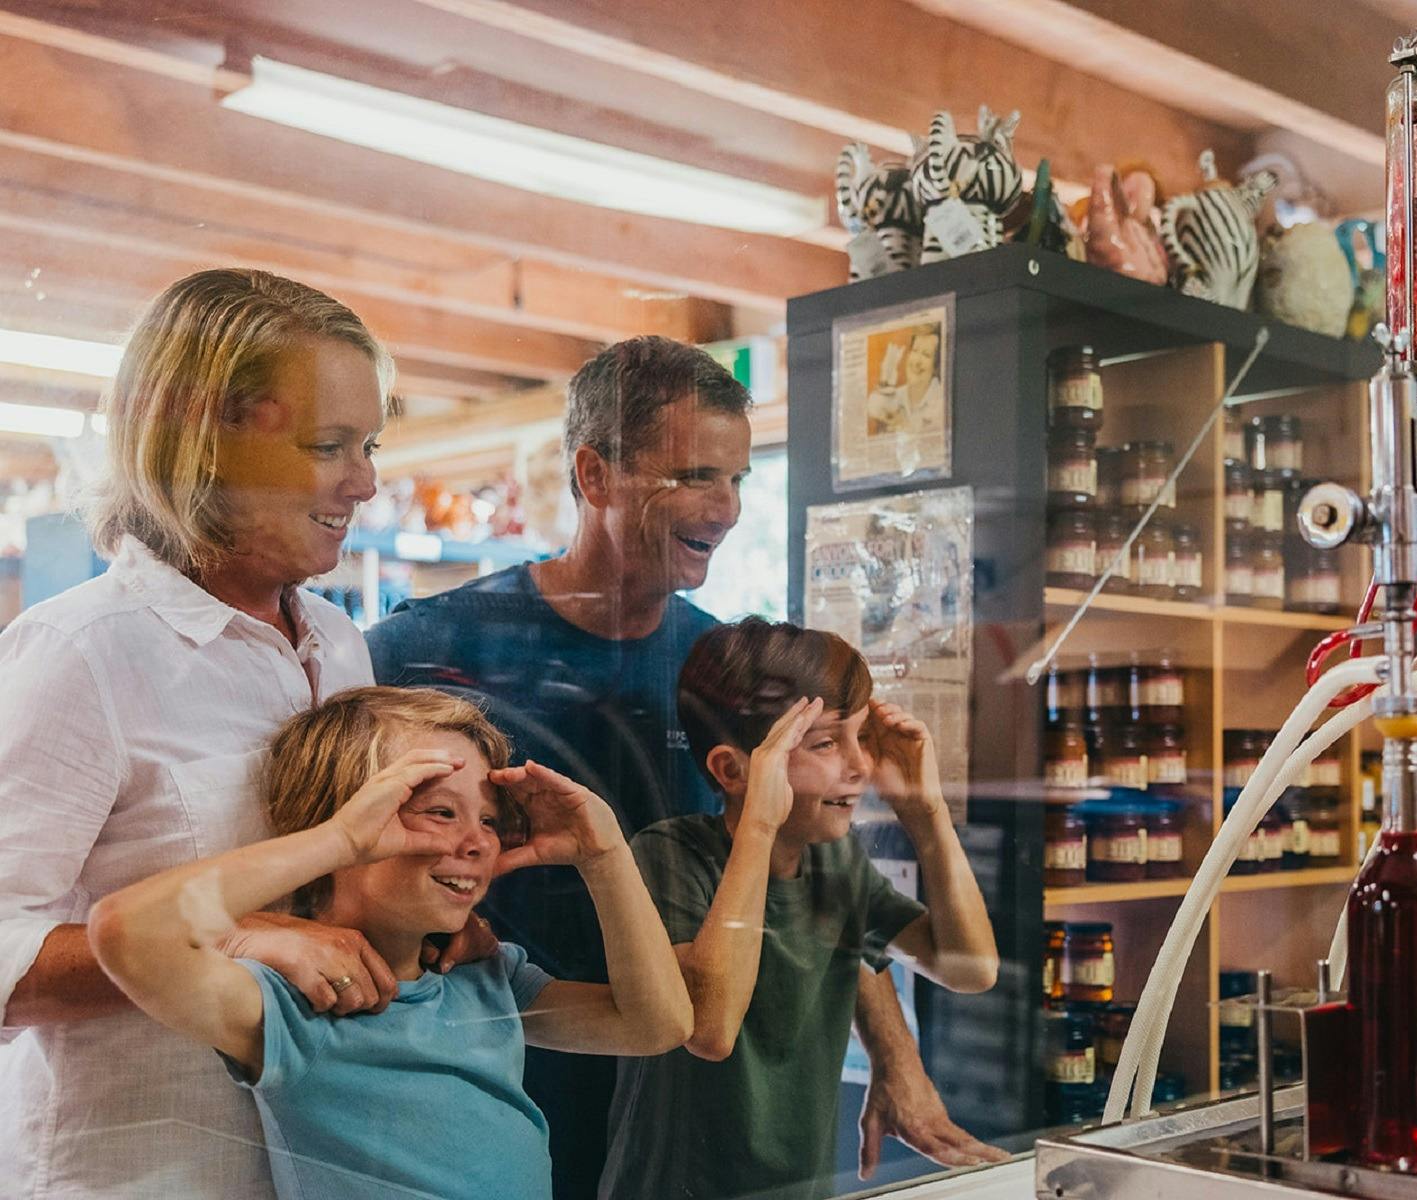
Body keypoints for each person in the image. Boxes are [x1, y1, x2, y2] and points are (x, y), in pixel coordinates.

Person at [367, 335, 1003, 1197]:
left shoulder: (726, 672)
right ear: (594, 477)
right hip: (502, 1078)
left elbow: (804, 885)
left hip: (692, 1101)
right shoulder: (428, 647)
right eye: (696, 475)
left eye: (738, 478)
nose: (728, 506)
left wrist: (898, 1059)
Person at [0, 268, 492, 1199]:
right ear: (204, 438)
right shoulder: (81, 652)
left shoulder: (339, 643)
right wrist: (233, 938)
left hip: (330, 1165)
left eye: (370, 444)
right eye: (328, 445)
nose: (367, 482)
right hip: (142, 1172)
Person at [87, 686, 692, 1200]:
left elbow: (655, 1025)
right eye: (438, 812)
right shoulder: (297, 1008)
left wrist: (605, 855)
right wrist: (338, 841)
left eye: (488, 818)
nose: (479, 842)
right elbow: (126, 932)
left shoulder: (484, 977)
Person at [600, 618, 998, 1200]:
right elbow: (709, 1029)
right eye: (826, 742)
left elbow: (970, 968)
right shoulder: (670, 855)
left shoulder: (836, 862)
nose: (860, 766)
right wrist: (759, 821)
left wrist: (927, 814)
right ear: (733, 771)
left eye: (861, 737)